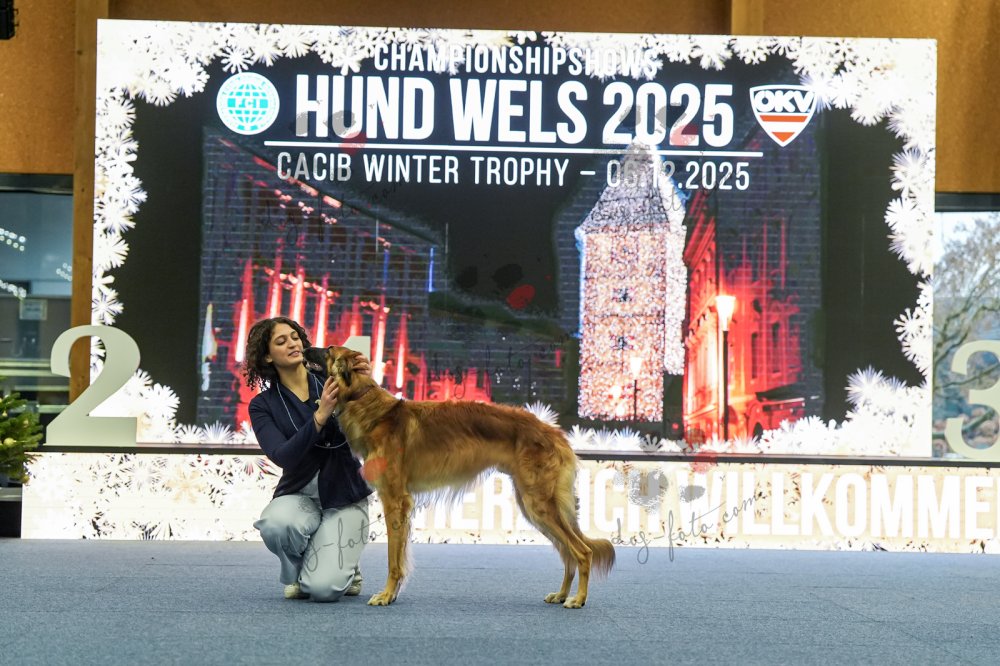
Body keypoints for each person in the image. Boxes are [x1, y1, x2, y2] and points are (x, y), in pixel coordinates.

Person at [242, 316, 373, 602]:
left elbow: (373, 424)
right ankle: (303, 570)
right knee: (276, 524)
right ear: (267, 356)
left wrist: (364, 382)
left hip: (345, 494)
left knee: (323, 591)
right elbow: (283, 456)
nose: (292, 344)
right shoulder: (263, 405)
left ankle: (346, 568)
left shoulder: (334, 382)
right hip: (299, 494)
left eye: (294, 337)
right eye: (281, 341)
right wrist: (321, 415)